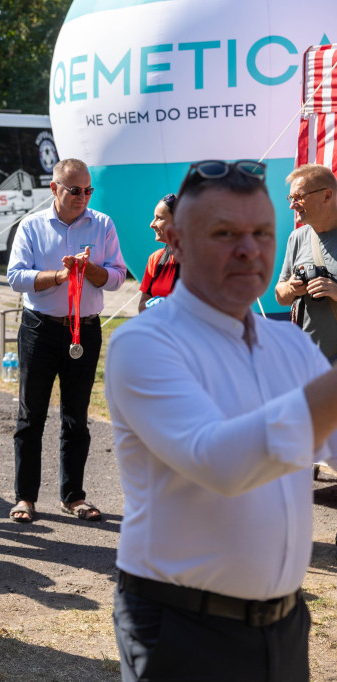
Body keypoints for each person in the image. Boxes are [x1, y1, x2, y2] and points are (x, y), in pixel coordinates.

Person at [104, 159, 337, 681]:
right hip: (182, 630)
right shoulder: (145, 343)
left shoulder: (289, 344)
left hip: (284, 625)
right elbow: (220, 463)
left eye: (262, 232)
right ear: (178, 244)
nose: (249, 249)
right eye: (225, 233)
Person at [5, 158, 126, 523]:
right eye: (75, 190)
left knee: (77, 417)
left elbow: (120, 276)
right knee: (31, 417)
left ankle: (73, 496)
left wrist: (90, 270)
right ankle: (25, 497)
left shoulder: (102, 224)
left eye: (88, 190)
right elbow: (15, 276)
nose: (83, 197)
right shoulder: (31, 225)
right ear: (54, 189)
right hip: (40, 328)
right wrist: (58, 275)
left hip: (84, 328)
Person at [275, 164, 337, 362]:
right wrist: (291, 288)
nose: (292, 205)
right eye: (291, 198)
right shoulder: (297, 237)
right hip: (309, 364)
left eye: (299, 197)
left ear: (327, 196)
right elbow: (281, 295)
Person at [137, 193, 179, 313]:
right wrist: (153, 305)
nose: (152, 224)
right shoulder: (156, 258)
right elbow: (141, 307)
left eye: (159, 218)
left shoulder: (202, 260)